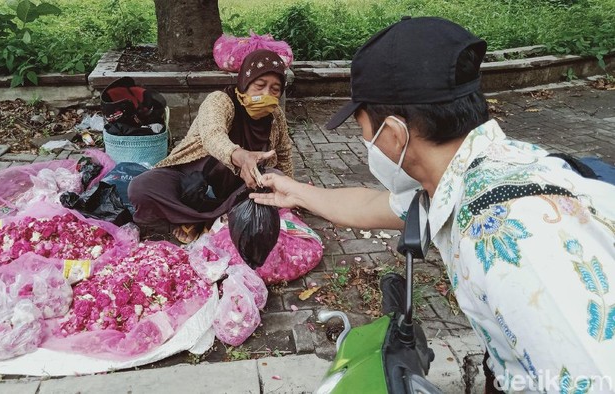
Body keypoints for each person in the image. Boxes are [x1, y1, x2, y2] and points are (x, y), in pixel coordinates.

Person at [251, 16, 615, 393]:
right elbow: (375, 207)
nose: (364, 139)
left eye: (360, 126)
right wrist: (295, 191)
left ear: (393, 134)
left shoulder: (507, 242)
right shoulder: (481, 174)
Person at [128, 49, 293, 243]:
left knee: (276, 181)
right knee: (141, 187)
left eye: (275, 89)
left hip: (236, 192)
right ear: (244, 82)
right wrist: (240, 156)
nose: (266, 94)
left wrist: (293, 192)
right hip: (192, 184)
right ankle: (208, 222)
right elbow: (212, 135)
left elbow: (284, 153)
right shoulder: (220, 101)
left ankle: (200, 223)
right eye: (259, 85)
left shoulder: (275, 116)